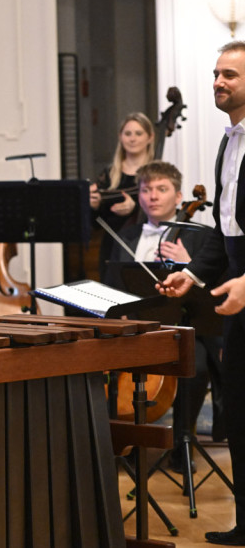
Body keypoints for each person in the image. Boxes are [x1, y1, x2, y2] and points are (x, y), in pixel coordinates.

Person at [158, 41, 245, 546]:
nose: (218, 81)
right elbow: (223, 227)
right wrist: (193, 274)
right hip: (234, 296)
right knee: (239, 412)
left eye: (229, 74)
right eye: (215, 73)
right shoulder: (227, 143)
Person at [104, 160, 221, 474]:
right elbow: (112, 284)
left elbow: (216, 288)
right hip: (135, 327)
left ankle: (182, 440)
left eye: (161, 189)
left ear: (178, 195)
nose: (153, 196)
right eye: (146, 190)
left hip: (183, 327)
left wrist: (190, 264)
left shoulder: (202, 236)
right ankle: (127, 440)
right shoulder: (126, 236)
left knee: (194, 363)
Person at [89, 112, 156, 274]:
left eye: (138, 133)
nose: (132, 139)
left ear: (150, 137)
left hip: (147, 246)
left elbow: (165, 213)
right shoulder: (109, 174)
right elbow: (95, 225)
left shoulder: (156, 173)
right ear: (120, 137)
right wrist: (94, 206)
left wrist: (135, 208)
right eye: (128, 133)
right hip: (112, 246)